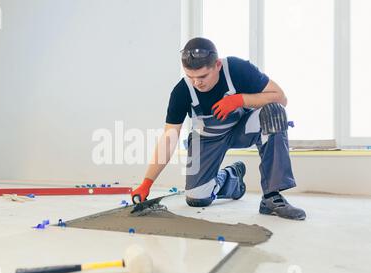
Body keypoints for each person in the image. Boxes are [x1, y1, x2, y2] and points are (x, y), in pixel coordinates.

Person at [131, 37, 305, 220]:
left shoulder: (238, 69)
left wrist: (239, 100)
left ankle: (271, 196)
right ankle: (232, 178)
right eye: (191, 76)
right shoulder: (181, 91)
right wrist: (147, 183)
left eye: (203, 76)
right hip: (206, 139)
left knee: (273, 111)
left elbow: (281, 98)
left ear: (218, 65)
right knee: (197, 198)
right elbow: (169, 138)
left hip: (241, 130)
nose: (197, 83)